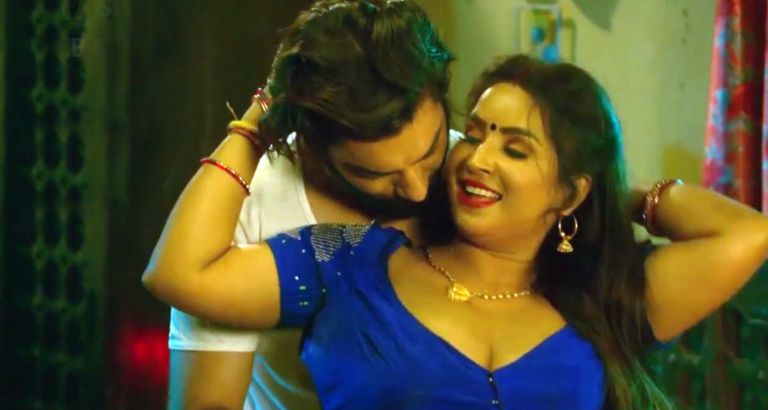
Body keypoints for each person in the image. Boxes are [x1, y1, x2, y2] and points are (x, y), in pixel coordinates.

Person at [144, 54, 768, 409]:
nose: (477, 159)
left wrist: (616, 198)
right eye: (476, 134)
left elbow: (745, 235)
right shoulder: (352, 260)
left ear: (569, 192)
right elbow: (179, 273)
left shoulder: (602, 295)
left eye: (515, 149)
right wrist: (257, 121)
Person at [165, 1, 456, 409]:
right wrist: (259, 116)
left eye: (431, 150)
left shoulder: (472, 177)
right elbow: (208, 403)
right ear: (312, 145)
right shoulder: (244, 205)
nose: (418, 191)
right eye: (374, 174)